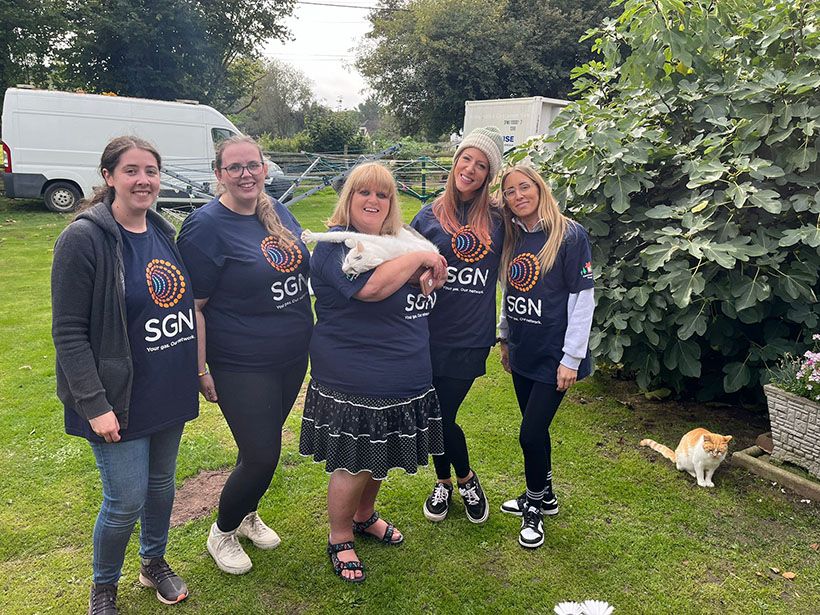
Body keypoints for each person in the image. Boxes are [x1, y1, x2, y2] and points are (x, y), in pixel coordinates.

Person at [51, 136, 198, 615]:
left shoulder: (160, 230)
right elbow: (69, 333)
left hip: (166, 385)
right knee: (125, 499)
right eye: (131, 170)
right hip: (118, 395)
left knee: (161, 485)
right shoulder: (83, 238)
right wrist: (94, 405)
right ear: (109, 176)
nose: (144, 180)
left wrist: (196, 370)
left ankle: (153, 561)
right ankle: (103, 587)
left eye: (151, 171)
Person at [299, 162, 447, 582]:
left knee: (378, 454)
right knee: (355, 460)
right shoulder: (335, 248)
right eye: (364, 192)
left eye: (383, 195)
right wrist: (423, 257)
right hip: (355, 371)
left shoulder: (394, 242)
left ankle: (364, 517)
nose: (373, 201)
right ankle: (340, 535)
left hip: (405, 369)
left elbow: (427, 277)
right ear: (349, 198)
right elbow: (371, 289)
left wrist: (431, 266)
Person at [176, 135, 313, 575]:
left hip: (292, 356)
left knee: (261, 445)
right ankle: (222, 531)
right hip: (241, 360)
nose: (245, 174)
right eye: (234, 168)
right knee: (261, 454)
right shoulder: (205, 226)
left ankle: (248, 514)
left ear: (265, 168)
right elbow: (193, 306)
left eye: (252, 165)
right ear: (219, 175)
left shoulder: (279, 211)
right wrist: (200, 368)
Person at [496, 165, 595, 549]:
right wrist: (505, 338)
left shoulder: (570, 236)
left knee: (530, 433)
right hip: (524, 349)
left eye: (525, 187)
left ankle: (534, 505)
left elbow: (582, 301)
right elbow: (509, 292)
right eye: (510, 191)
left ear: (540, 188)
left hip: (555, 356)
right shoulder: (514, 236)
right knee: (535, 431)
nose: (518, 195)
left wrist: (571, 358)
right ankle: (547, 494)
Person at [410, 126, 505, 524]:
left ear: (488, 175)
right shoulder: (428, 215)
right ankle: (446, 483)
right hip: (427, 333)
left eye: (481, 165)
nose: (470, 168)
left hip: (470, 335)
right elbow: (406, 267)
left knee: (440, 414)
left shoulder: (500, 219)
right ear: (456, 162)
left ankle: (465, 479)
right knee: (433, 413)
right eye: (466, 158)